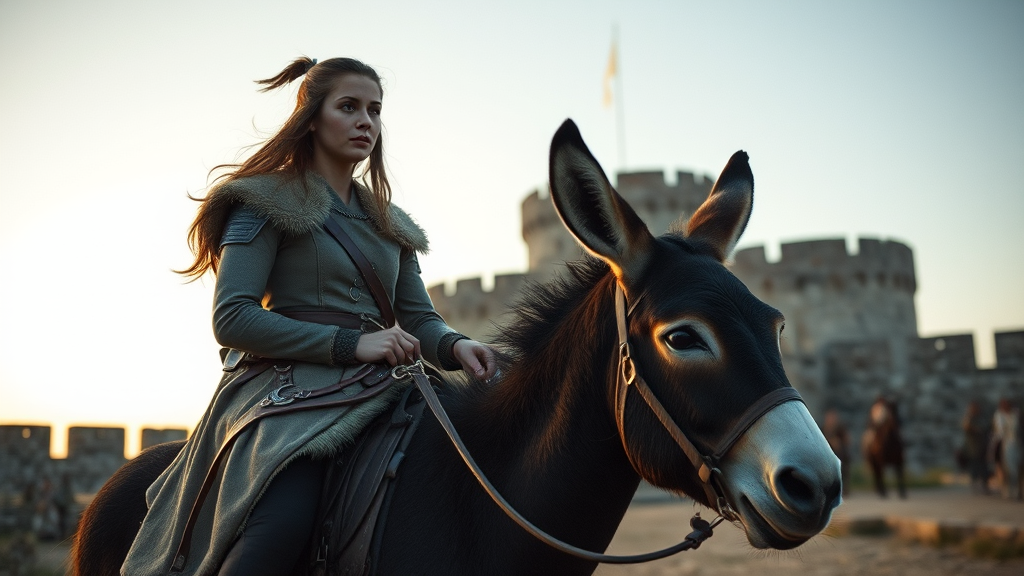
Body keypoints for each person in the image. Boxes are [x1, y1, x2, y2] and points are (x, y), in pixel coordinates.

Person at [121, 57, 497, 576]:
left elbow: (418, 318)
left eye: (375, 110)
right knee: (280, 530)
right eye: (349, 107)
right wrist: (350, 345)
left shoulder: (393, 223)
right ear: (312, 118)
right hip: (288, 394)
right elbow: (232, 318)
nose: (366, 120)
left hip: (386, 386)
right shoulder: (262, 201)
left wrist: (456, 346)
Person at [990, 398, 1022, 500]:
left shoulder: (1015, 415)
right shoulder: (998, 415)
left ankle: (1017, 490)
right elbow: (998, 430)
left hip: (1014, 444)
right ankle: (1006, 490)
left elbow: (1016, 429)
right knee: (1003, 469)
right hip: (1001, 443)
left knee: (1016, 469)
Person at [959, 400, 990, 494]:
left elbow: (987, 428)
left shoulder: (982, 418)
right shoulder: (969, 418)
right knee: (974, 467)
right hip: (972, 448)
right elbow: (966, 426)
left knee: (984, 467)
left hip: (984, 446)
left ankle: (984, 485)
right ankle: (975, 485)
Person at [821, 408, 850, 495]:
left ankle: (844, 488)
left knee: (844, 461)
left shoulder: (840, 428)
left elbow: (847, 440)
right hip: (826, 453)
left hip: (839, 453)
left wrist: (839, 442)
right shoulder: (823, 428)